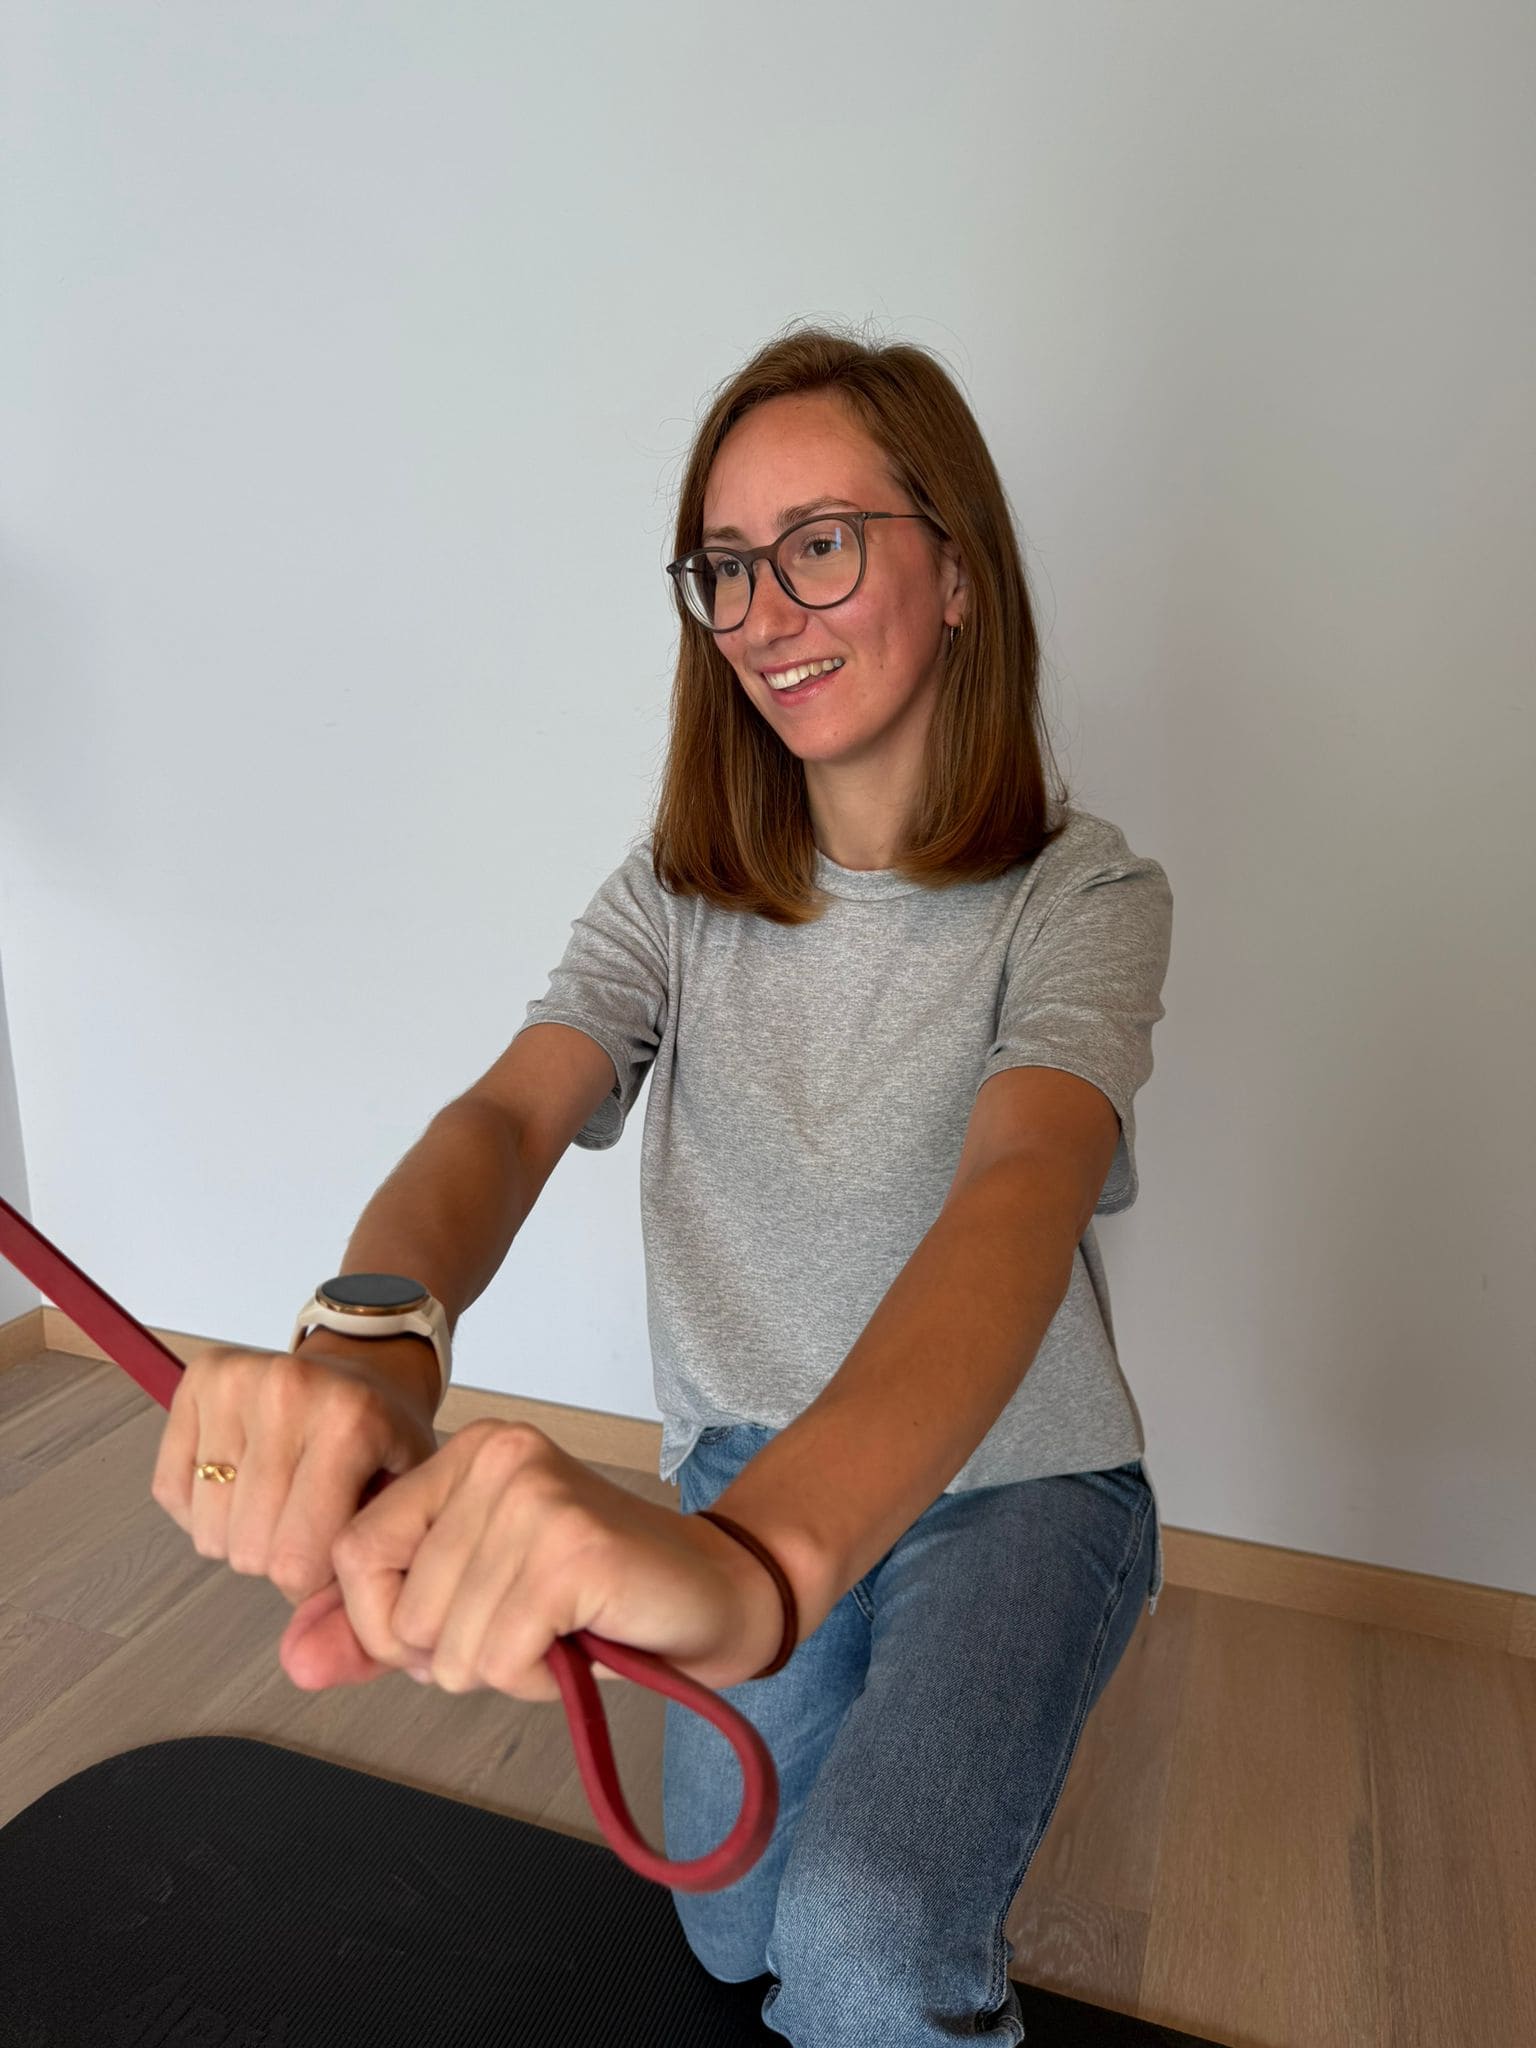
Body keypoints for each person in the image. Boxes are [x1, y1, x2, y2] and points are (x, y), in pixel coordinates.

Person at [151, 322, 1172, 2048]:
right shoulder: (676, 895)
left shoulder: (1086, 897)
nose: (767, 609)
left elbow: (1019, 1192)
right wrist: (367, 1347)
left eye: (822, 544)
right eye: (726, 568)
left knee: (861, 1940)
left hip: (1024, 1493)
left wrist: (764, 1575)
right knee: (727, 1943)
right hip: (735, 1461)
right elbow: (504, 1120)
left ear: (963, 572)